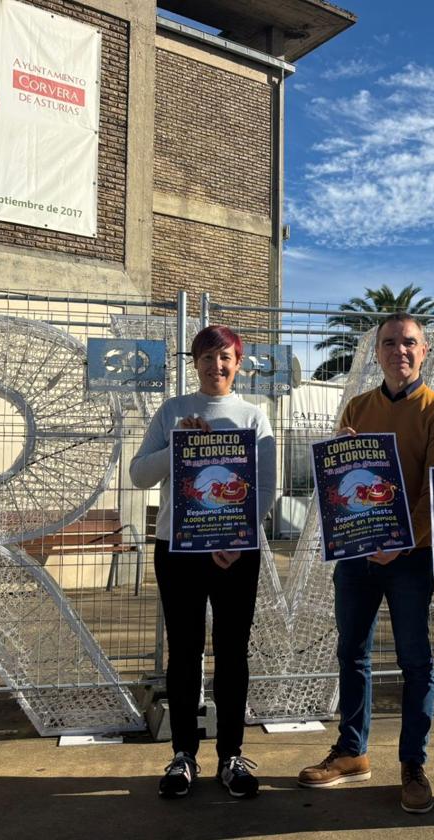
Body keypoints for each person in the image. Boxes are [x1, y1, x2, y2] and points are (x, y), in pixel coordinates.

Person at [297, 312, 434, 815]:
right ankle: (352, 751)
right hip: (357, 556)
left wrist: (401, 540)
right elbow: (348, 483)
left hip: (410, 558)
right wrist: (343, 459)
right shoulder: (358, 407)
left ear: (424, 350)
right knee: (352, 653)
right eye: (389, 343)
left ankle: (413, 763)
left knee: (415, 661)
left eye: (409, 342)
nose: (399, 351)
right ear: (376, 352)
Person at [129, 325, 275, 799]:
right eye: (208, 357)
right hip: (179, 548)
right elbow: (138, 475)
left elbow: (265, 486)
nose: (217, 365)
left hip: (236, 552)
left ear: (239, 362)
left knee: (233, 651)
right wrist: (177, 445)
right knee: (185, 650)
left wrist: (239, 535)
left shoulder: (255, 416)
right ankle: (183, 754)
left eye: (226, 357)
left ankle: (231, 754)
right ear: (195, 363)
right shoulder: (173, 411)